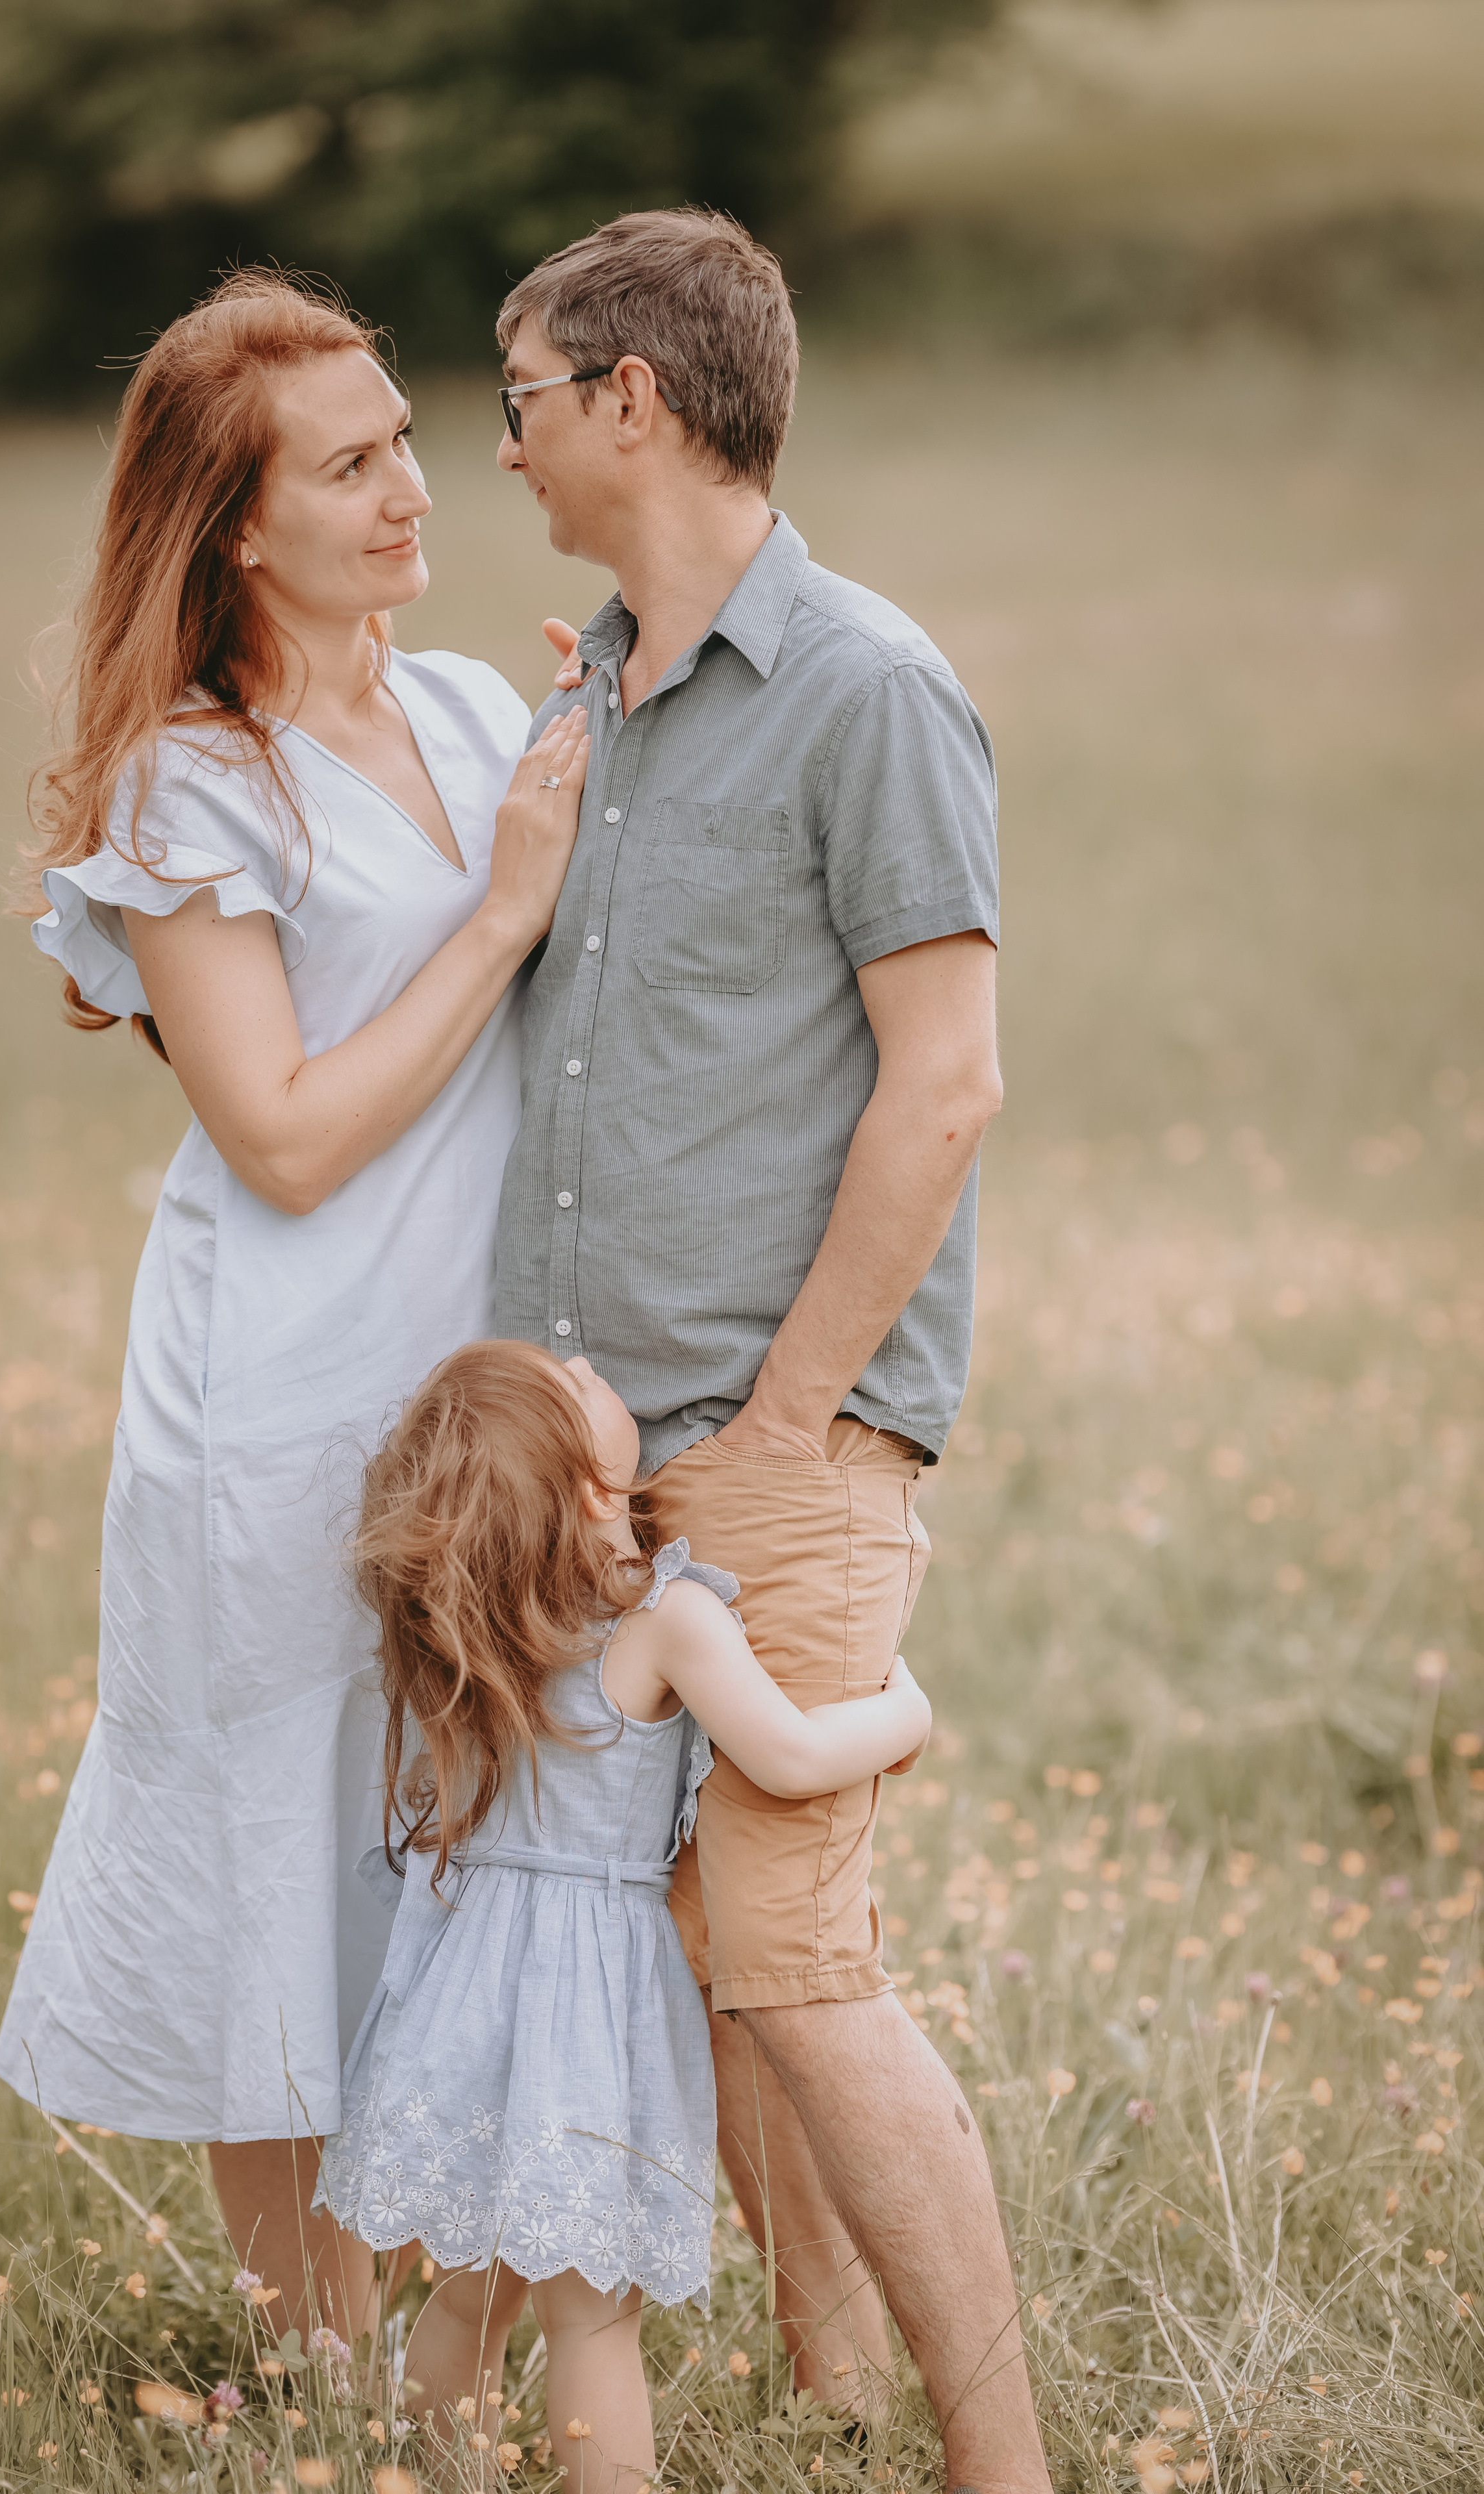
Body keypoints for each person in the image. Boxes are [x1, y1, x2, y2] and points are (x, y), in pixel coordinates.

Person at [493, 212, 1051, 2493]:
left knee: (793, 1946)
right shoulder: (588, 690)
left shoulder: (871, 689)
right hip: (588, 1449)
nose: (501, 445)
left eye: (519, 397)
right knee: (678, 1938)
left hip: (774, 1439)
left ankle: (1003, 2459)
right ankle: (826, 2385)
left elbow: (948, 1081)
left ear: (633, 396)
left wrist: (800, 1428)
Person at [0, 268, 590, 2337]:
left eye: (409, 437)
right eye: (352, 467)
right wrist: (509, 903)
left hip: (472, 1385)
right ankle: (312, 2354)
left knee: (458, 1844)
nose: (416, 487)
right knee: (285, 1848)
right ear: (240, 524)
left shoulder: (463, 709)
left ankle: (436, 2338)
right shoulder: (193, 785)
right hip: (281, 1388)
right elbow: (288, 1136)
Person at [316, 1339, 933, 2494]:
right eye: (571, 1380)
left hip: (472, 1994)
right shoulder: (667, 1621)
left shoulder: (477, 1633)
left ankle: (423, 2477)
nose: (586, 1357)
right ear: (584, 1483)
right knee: (595, 2323)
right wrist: (905, 1710)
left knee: (473, 2286)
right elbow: (792, 1756)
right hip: (590, 2001)